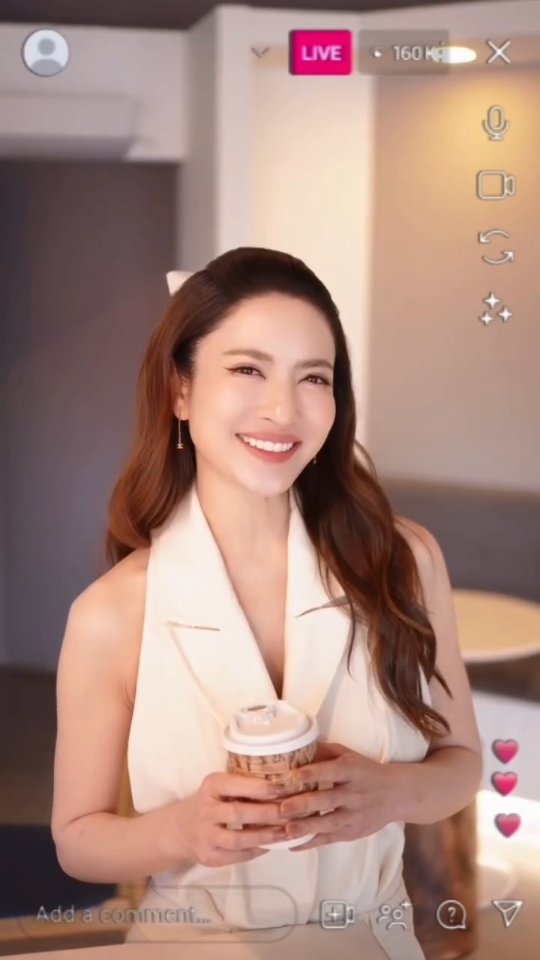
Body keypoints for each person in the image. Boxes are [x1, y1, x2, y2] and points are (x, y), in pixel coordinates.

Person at [51, 247, 482, 959]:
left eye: (313, 377)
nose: (284, 410)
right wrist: (181, 831)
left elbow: (462, 763)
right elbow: (76, 840)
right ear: (180, 390)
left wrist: (393, 794)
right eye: (248, 369)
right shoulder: (112, 614)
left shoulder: (404, 562)